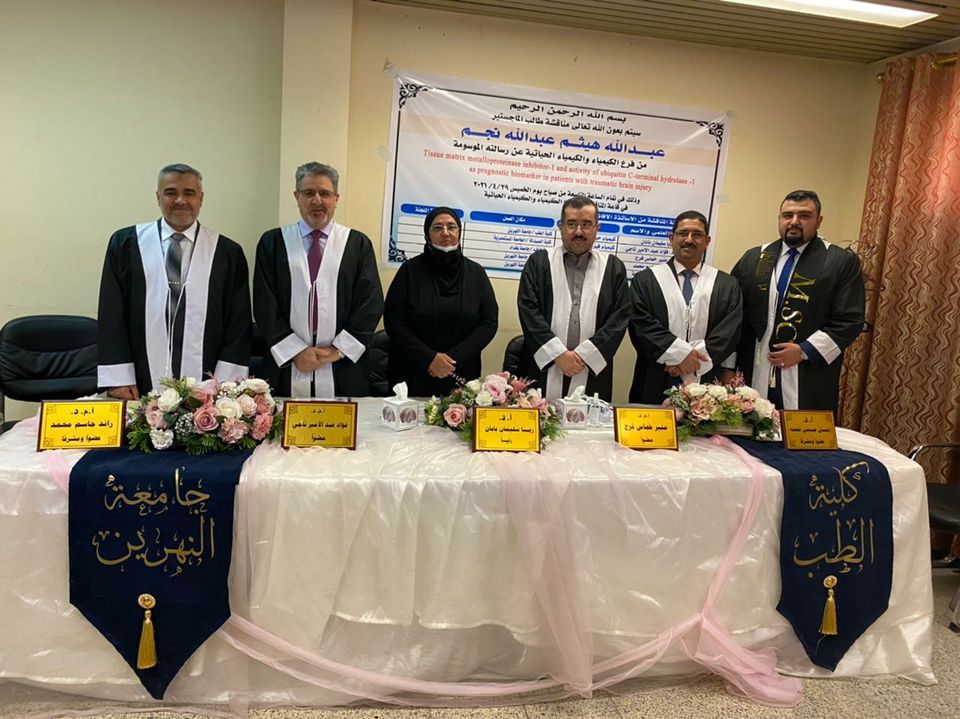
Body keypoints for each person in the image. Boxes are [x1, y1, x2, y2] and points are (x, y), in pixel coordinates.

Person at [97, 164, 251, 400]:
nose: (180, 200)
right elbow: (112, 315)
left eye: (189, 193)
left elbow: (238, 324)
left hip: (208, 381)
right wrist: (119, 378)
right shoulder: (126, 245)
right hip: (138, 378)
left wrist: (225, 386)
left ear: (201, 199)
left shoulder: (227, 253)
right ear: (158, 197)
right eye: (171, 192)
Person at [253, 162, 383, 397]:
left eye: (325, 193)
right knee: (284, 419)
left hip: (342, 366)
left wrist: (339, 350)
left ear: (336, 198)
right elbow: (265, 304)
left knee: (343, 419)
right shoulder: (273, 243)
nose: (317, 200)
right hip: (286, 366)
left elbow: (370, 304)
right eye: (309, 193)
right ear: (296, 196)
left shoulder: (357, 245)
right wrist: (295, 351)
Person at [728, 190, 865, 412]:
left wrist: (804, 350)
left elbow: (850, 320)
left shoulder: (839, 262)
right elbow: (732, 315)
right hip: (754, 369)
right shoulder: (754, 259)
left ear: (819, 221)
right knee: (751, 425)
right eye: (787, 215)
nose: (794, 222)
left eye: (804, 216)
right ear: (779, 219)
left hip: (806, 373)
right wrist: (727, 366)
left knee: (801, 431)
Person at [516, 195, 630, 402]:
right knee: (541, 416)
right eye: (571, 224)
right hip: (545, 366)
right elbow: (528, 311)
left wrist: (585, 355)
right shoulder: (538, 262)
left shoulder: (614, 268)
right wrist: (558, 354)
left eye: (586, 224)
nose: (578, 231)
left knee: (590, 419)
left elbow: (619, 319)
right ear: (561, 227)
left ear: (597, 228)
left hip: (592, 369)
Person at [628, 210, 742, 404]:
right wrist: (680, 355)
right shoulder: (645, 280)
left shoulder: (726, 284)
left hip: (707, 379)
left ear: (707, 241)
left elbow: (729, 331)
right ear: (671, 238)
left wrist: (695, 361)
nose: (689, 240)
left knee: (705, 422)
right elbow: (641, 326)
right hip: (657, 374)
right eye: (683, 233)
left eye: (697, 234)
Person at [384, 207, 498, 396]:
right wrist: (429, 358)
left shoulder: (476, 273)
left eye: (451, 227)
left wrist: (452, 359)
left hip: (461, 372)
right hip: (413, 372)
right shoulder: (409, 271)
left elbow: (489, 322)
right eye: (437, 228)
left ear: (459, 232)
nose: (445, 233)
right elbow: (393, 320)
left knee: (457, 414)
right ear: (427, 235)